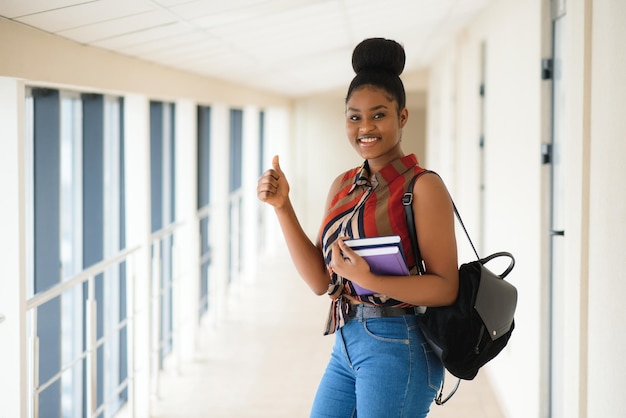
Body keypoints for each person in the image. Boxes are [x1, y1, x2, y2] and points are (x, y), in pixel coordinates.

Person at [257, 38, 459, 418]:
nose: (365, 127)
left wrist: (369, 278)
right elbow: (321, 280)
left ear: (402, 117)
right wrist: (283, 207)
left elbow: (445, 288)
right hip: (346, 341)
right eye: (354, 117)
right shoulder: (343, 185)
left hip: (400, 344)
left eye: (379, 115)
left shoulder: (422, 186)